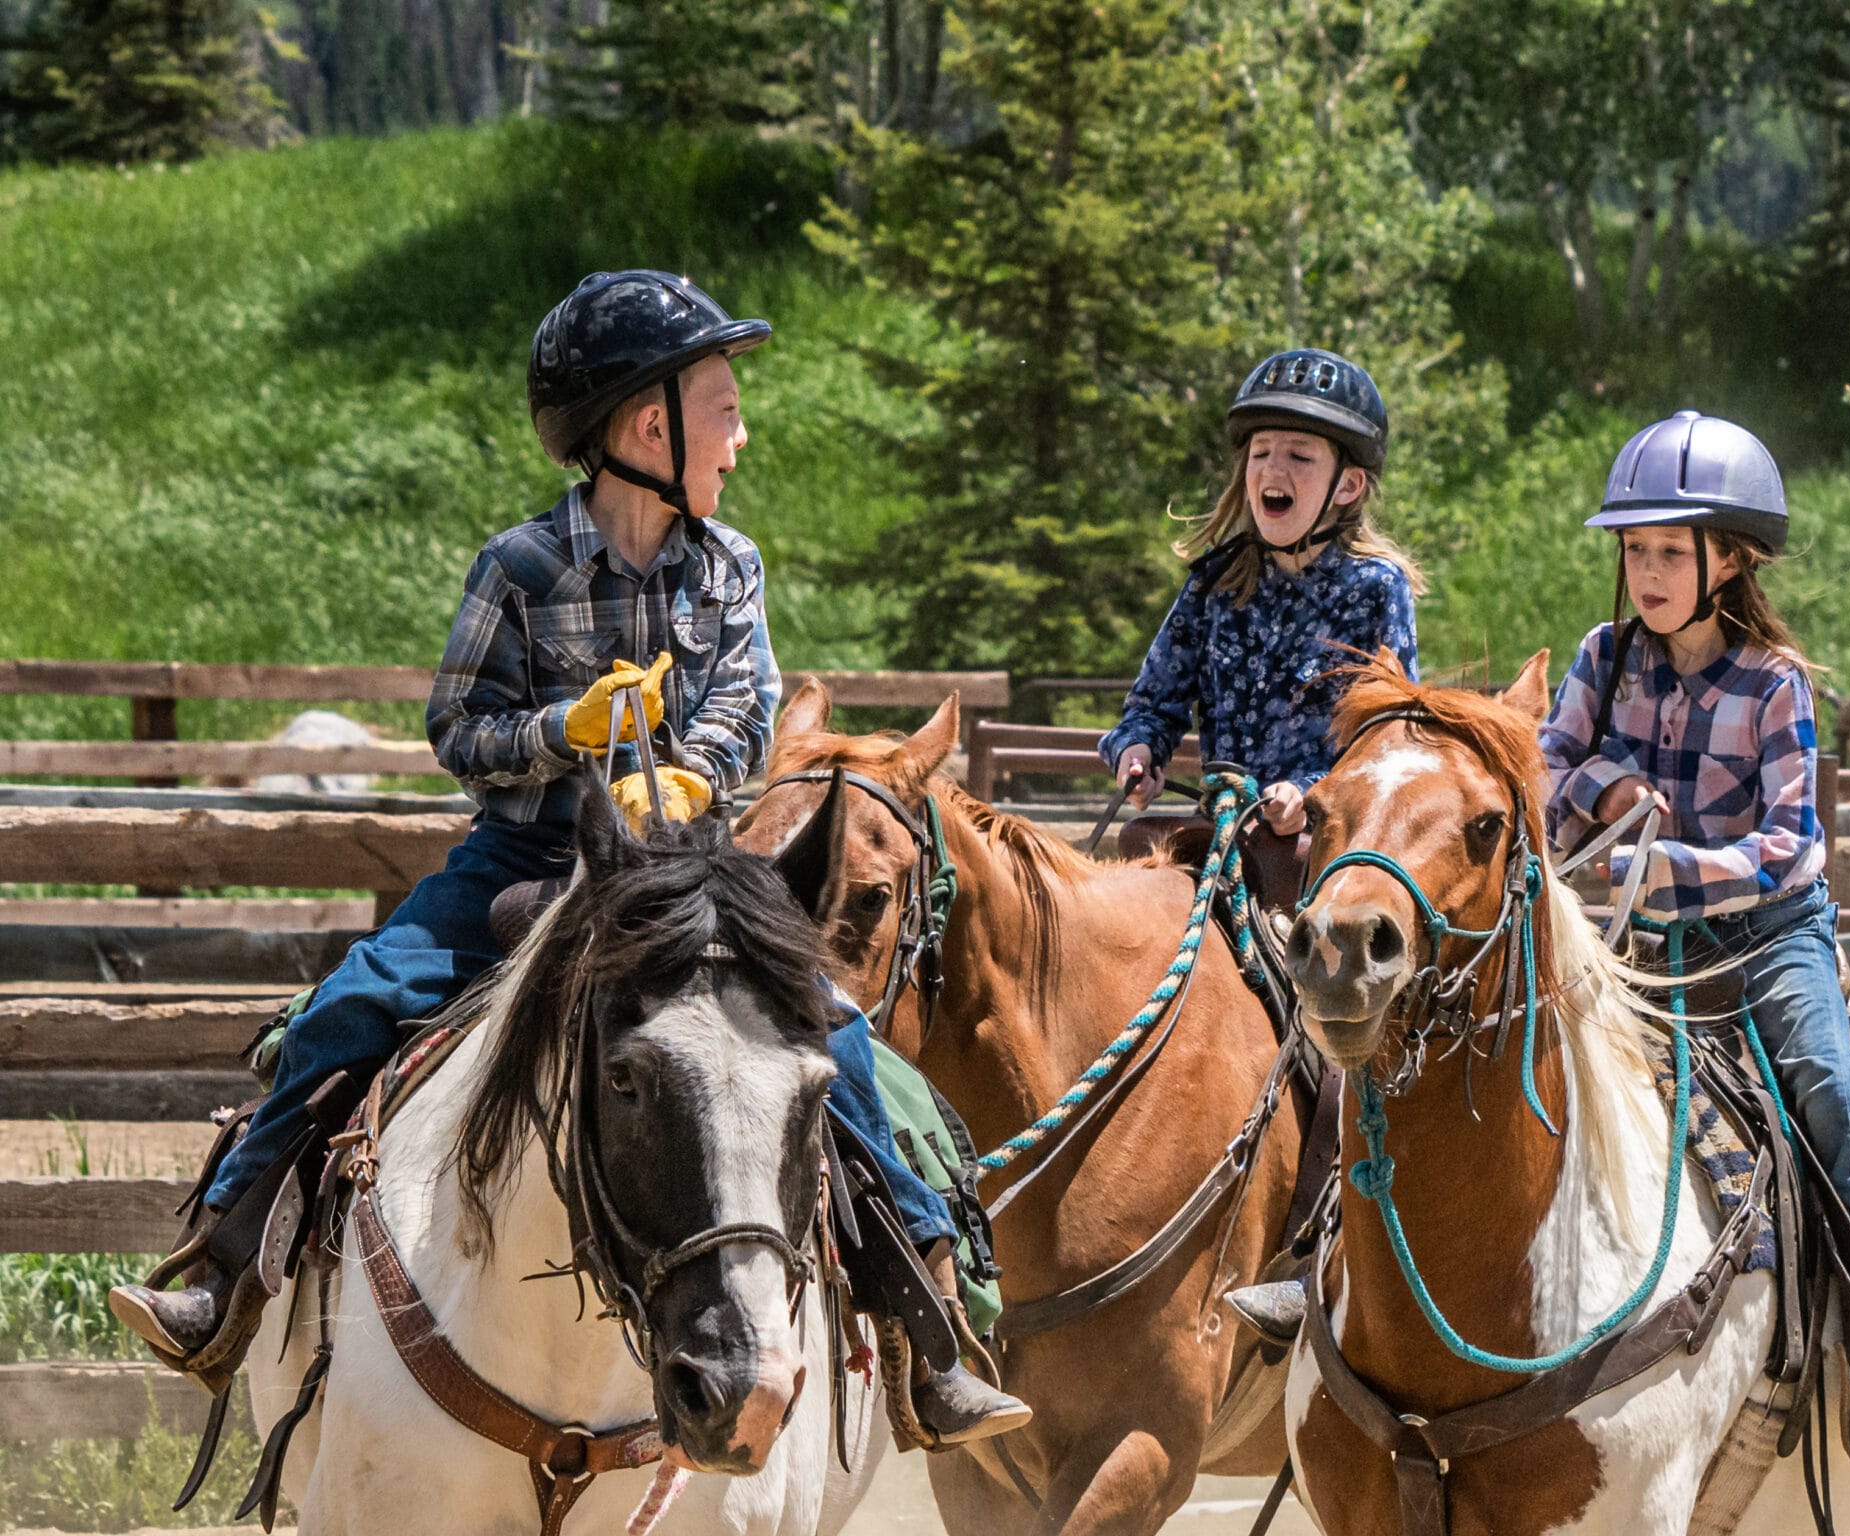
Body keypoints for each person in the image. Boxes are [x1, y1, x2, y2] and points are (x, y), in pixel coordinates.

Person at [109, 268, 1026, 1448]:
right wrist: (564, 733)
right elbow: (458, 727)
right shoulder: (520, 566)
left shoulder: (729, 567)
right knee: (356, 1002)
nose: (739, 440)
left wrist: (688, 769)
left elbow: (747, 706)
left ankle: (927, 1331)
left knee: (831, 1038)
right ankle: (225, 1270)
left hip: (687, 867)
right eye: (725, 410)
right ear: (652, 426)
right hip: (524, 855)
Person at [1538, 410, 1850, 1469]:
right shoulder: (1601, 657)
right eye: (1634, 550)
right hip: (1627, 939)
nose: (1648, 571)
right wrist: (1605, 783)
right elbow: (1541, 774)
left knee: (1824, 1085)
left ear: (1731, 557)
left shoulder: (1775, 683)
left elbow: (1790, 848)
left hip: (1765, 939)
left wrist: (1665, 866)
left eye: (1671, 550)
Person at [1100, 348, 1423, 899]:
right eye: (1261, 453)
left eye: (1299, 456)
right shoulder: (1213, 582)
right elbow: (1154, 704)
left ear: (1347, 486)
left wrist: (1309, 793)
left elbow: (1389, 740)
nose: (1273, 469)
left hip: (1331, 853)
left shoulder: (1377, 588)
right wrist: (1138, 751)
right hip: (1224, 839)